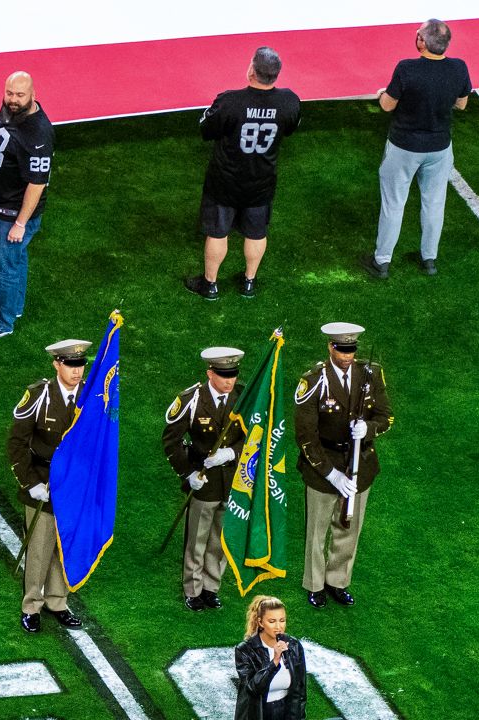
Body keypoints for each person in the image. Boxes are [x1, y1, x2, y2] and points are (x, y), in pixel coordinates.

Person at [183, 47, 301, 300]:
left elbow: (206, 129)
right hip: (261, 181)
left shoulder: (230, 101)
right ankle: (249, 281)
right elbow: (290, 128)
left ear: (251, 71)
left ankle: (210, 284)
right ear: (276, 75)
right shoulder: (289, 101)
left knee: (217, 232)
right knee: (257, 231)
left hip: (225, 180)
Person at [362, 19, 471, 278]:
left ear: (422, 42)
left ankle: (382, 260)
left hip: (404, 147)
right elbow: (462, 104)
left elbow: (387, 105)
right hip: (440, 146)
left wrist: (381, 94)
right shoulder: (458, 68)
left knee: (393, 203)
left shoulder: (407, 69)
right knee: (434, 203)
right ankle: (429, 258)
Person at [294, 322, 392, 608]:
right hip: (323, 464)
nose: (347, 356)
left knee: (350, 526)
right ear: (330, 347)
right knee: (317, 529)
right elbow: (305, 435)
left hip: (361, 463)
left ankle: (338, 580)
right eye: (341, 349)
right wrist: (331, 473)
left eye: (351, 349)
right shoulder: (313, 382)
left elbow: (386, 416)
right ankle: (314, 584)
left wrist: (369, 429)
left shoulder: (370, 375)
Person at [7, 339, 88, 632]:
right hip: (44, 482)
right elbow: (17, 443)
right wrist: (31, 484)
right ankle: (31, 605)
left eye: (80, 365)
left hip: (75, 487)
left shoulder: (91, 397)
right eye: (71, 365)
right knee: (39, 548)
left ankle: (58, 601)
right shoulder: (39, 395)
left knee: (64, 546)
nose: (77, 371)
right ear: (57, 364)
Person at [161, 347, 248, 611]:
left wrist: (231, 452)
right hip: (203, 478)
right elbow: (171, 441)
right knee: (197, 537)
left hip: (231, 478)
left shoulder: (243, 397)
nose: (229, 381)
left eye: (232, 375)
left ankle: (211, 586)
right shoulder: (192, 399)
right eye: (223, 375)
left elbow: (254, 436)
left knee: (220, 537)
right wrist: (187, 473)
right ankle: (193, 588)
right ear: (210, 373)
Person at [0, 71, 54, 341]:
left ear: (33, 94)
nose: (13, 99)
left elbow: (37, 184)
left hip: (14, 212)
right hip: (3, 203)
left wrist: (20, 223)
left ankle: (2, 322)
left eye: (19, 95)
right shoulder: (12, 109)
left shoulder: (38, 134)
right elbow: (1, 124)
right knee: (15, 261)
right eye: (9, 93)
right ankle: (11, 307)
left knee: (4, 266)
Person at [233, 595, 306, 720]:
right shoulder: (245, 650)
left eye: (282, 620)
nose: (278, 627)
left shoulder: (294, 645)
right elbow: (252, 688)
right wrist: (275, 661)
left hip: (286, 711)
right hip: (258, 712)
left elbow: (300, 689)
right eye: (272, 621)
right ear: (260, 622)